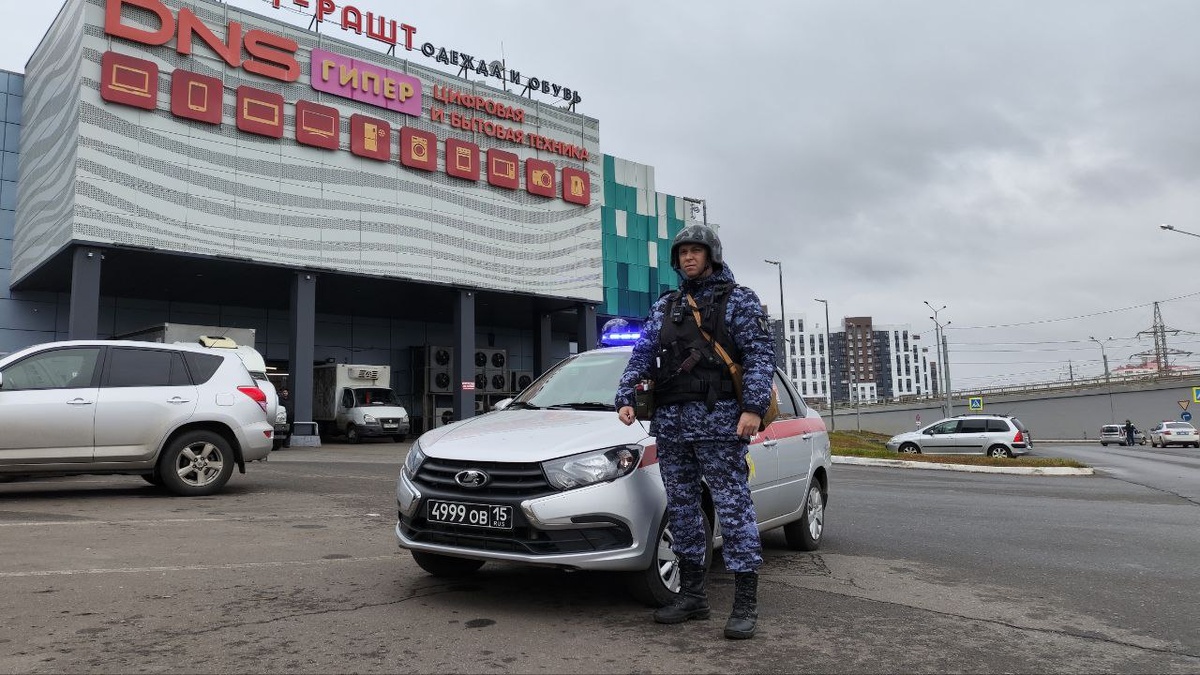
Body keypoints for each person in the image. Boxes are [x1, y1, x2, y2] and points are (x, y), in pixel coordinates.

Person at [615, 224, 776, 640]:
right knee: (683, 508)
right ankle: (692, 595)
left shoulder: (739, 300)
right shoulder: (666, 305)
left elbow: (760, 355)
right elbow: (643, 353)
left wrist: (753, 408)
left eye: (696, 251)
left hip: (721, 421)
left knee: (733, 508)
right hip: (671, 423)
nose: (688, 257)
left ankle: (744, 603)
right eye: (682, 252)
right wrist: (626, 395)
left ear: (712, 255)